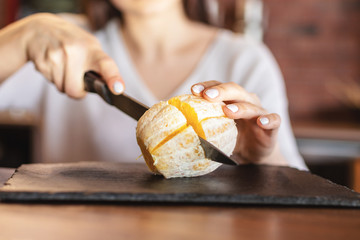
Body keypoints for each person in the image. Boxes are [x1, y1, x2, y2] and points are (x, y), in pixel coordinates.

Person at [0, 0, 307, 170]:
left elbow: (300, 200)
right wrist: (21, 38)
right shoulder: (60, 45)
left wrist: (266, 160)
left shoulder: (246, 60)